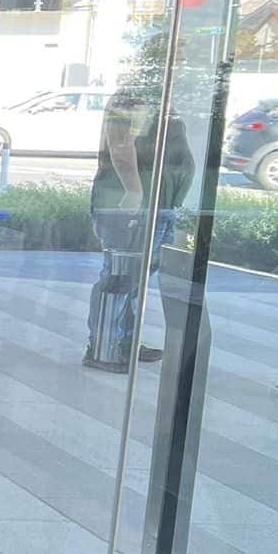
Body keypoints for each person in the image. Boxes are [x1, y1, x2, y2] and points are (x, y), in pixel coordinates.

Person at [84, 85, 195, 372]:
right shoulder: (138, 94)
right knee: (121, 276)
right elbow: (121, 145)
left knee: (135, 280)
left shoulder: (159, 97)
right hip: (135, 207)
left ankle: (124, 341)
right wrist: (134, 193)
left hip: (158, 206)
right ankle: (105, 347)